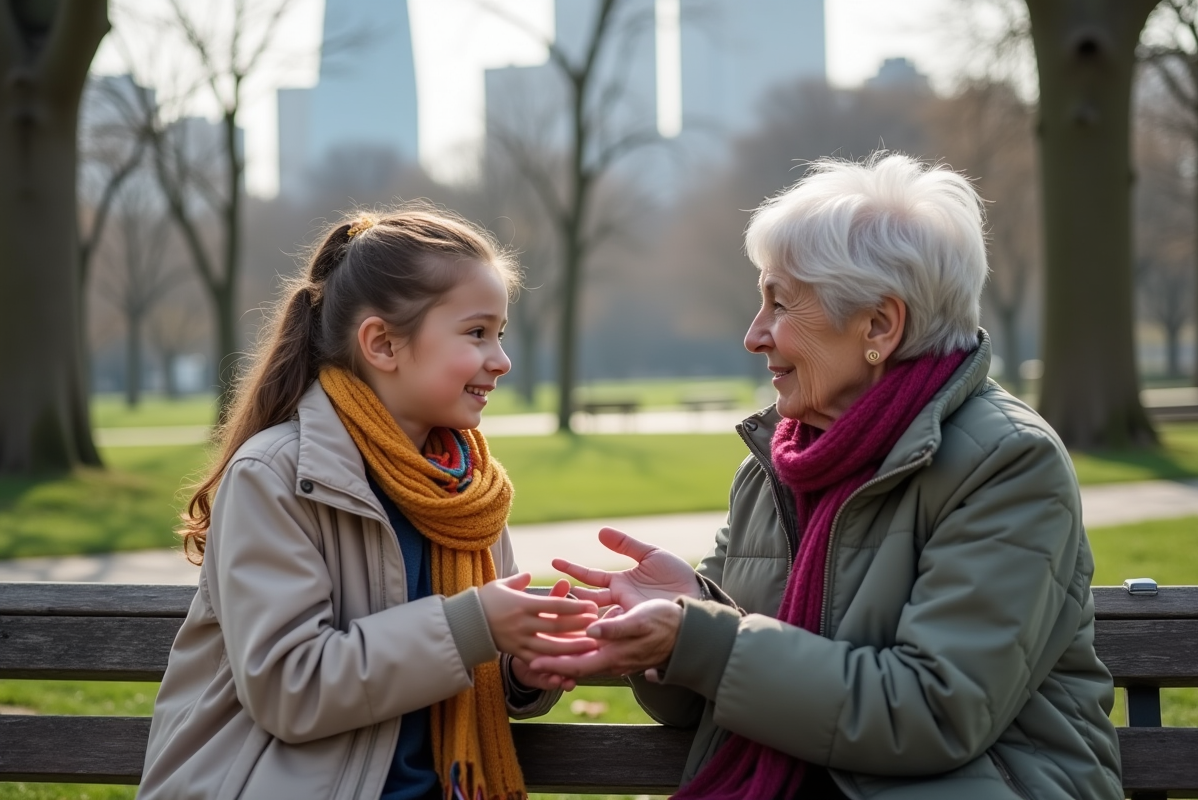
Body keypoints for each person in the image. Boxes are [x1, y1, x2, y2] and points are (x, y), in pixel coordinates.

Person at [534, 154, 1124, 799]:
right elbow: (717, 696)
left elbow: (931, 713)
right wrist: (684, 623)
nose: (754, 336)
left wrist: (703, 639)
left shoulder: (1007, 463)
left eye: (779, 304)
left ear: (878, 325)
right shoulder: (778, 463)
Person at [138, 207, 597, 800]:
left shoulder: (467, 489)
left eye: (500, 333)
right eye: (476, 332)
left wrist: (520, 671)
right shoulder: (274, 475)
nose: (501, 359)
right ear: (383, 343)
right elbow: (290, 687)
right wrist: (474, 626)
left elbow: (472, 653)